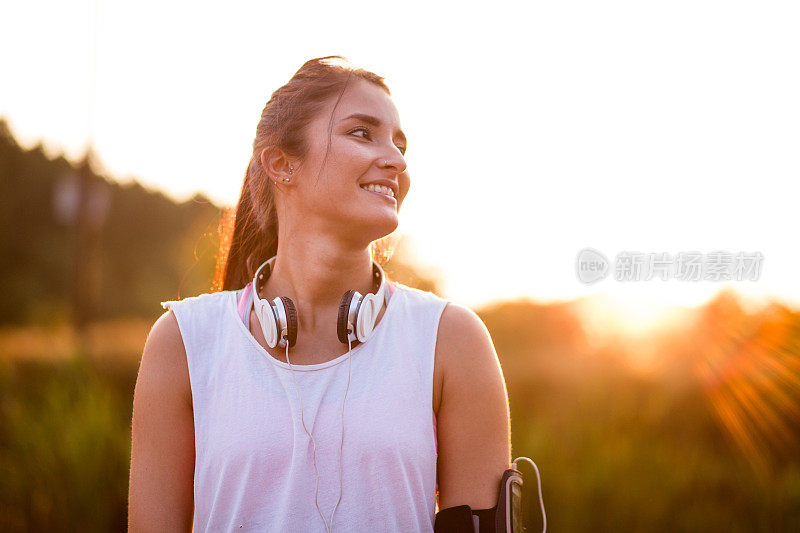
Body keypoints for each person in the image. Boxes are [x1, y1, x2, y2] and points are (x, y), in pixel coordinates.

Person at [128, 56, 511, 532]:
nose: (396, 159)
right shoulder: (181, 342)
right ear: (282, 163)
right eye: (362, 132)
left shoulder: (453, 340)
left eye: (400, 142)